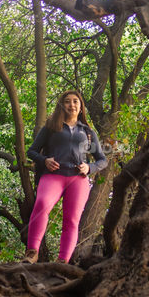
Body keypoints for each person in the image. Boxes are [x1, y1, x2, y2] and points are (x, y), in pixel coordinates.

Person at [23, 90, 108, 264]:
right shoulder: (51, 127)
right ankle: (32, 252)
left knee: (71, 220)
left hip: (78, 180)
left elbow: (102, 159)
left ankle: (63, 261)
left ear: (80, 106)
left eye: (76, 101)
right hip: (53, 176)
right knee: (41, 204)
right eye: (68, 101)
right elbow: (31, 151)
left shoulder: (87, 132)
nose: (72, 105)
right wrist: (44, 160)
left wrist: (90, 167)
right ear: (62, 105)